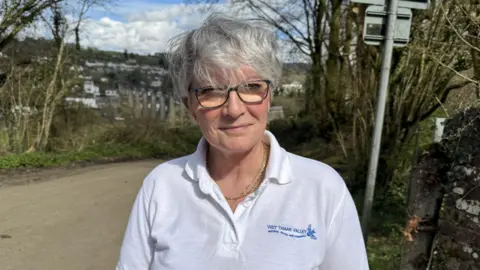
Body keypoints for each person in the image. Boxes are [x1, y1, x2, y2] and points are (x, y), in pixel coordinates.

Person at [116, 12, 369, 270]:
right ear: (189, 106)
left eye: (251, 87)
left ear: (269, 96)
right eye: (211, 91)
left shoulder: (322, 189)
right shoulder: (161, 187)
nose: (234, 109)